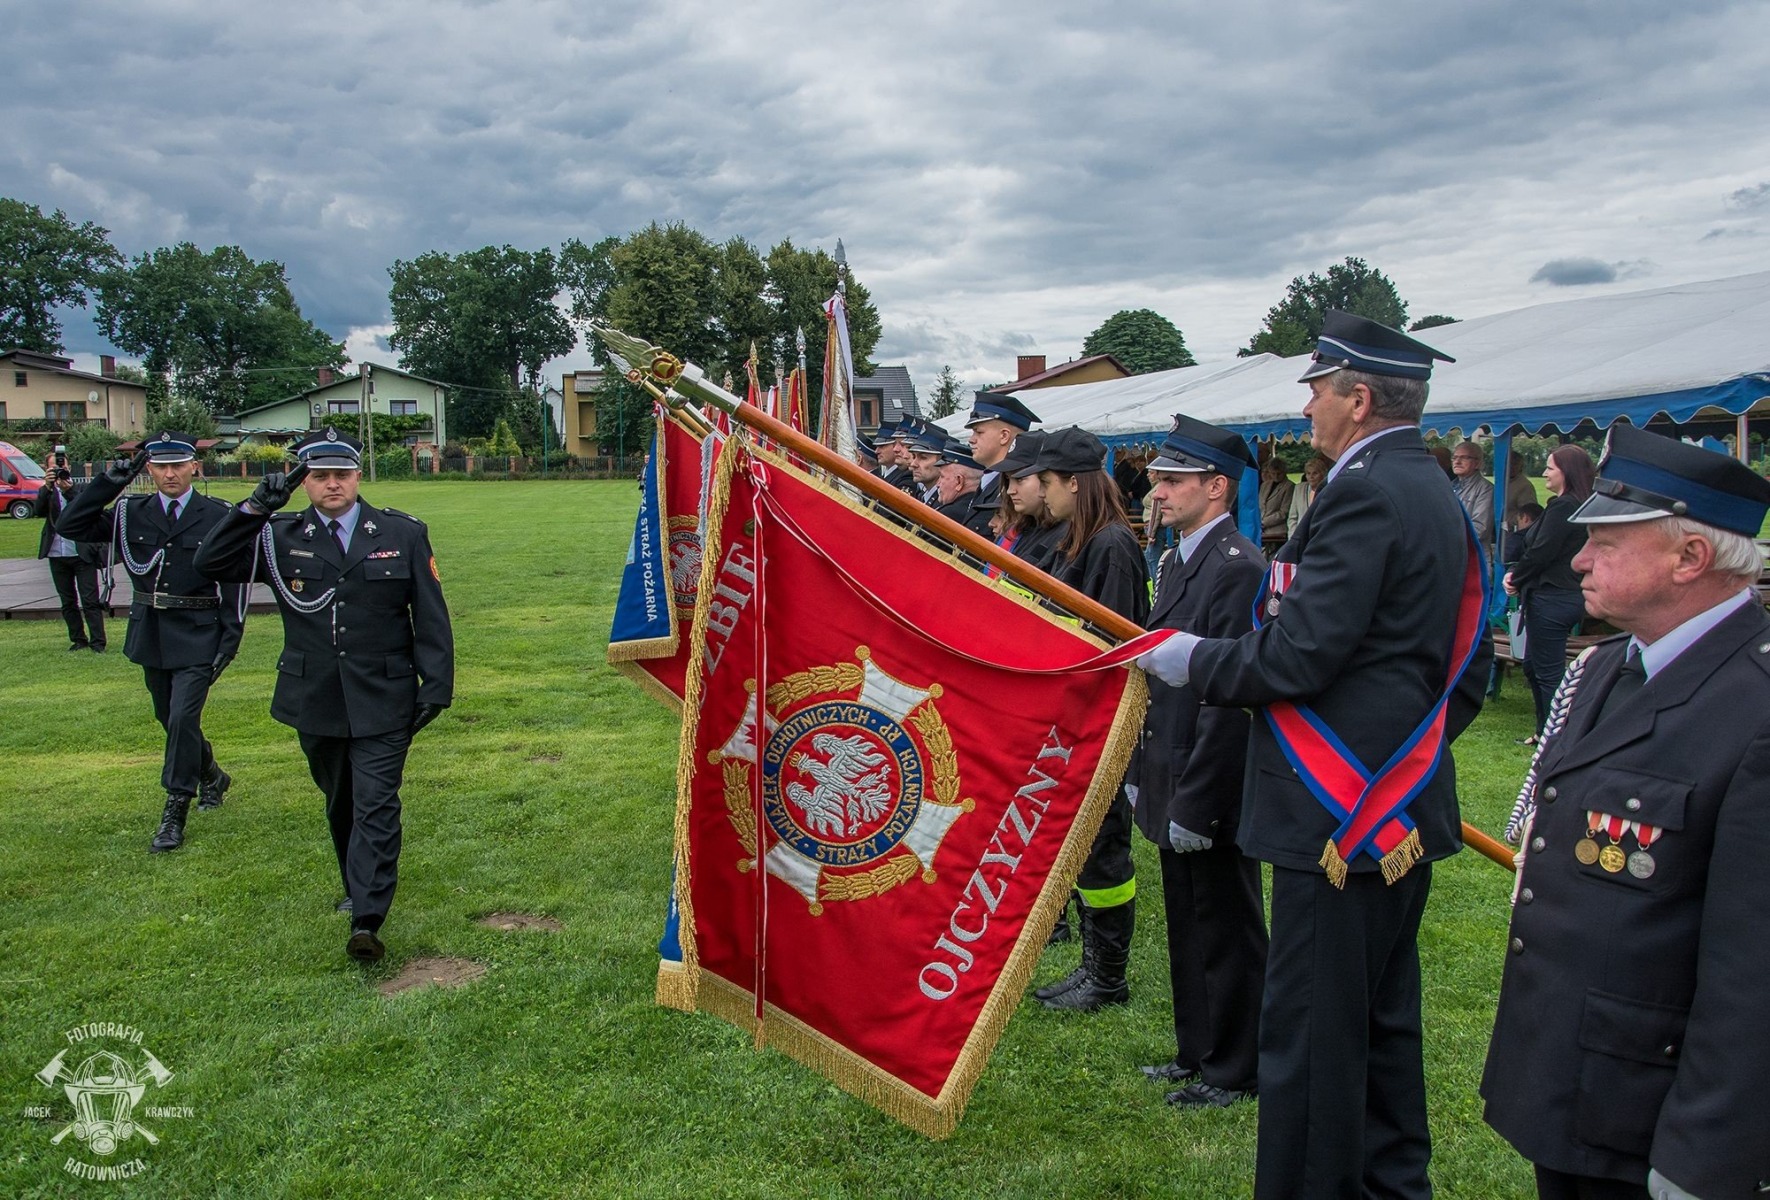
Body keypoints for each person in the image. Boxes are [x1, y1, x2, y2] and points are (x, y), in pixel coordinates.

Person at [1137, 312, 1489, 1199]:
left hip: (1337, 820)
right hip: (1391, 807)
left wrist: (1195, 659)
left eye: (1316, 386)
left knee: (1312, 1040)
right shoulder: (1428, 486)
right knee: (1380, 1029)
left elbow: (1300, 653)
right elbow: (1469, 662)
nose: (1305, 404)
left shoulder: (1366, 490)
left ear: (1358, 398)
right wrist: (1406, 755)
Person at [1482, 423, 1770, 1200]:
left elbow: (1754, 973)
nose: (1578, 558)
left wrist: (1705, 1152)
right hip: (1574, 1081)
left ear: (1690, 558)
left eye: (1607, 541)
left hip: (1659, 1112)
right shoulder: (1606, 666)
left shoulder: (1756, 708)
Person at [193, 428, 454, 964]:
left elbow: (429, 612)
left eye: (341, 475)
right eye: (319, 476)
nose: (332, 485)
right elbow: (210, 564)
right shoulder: (278, 535)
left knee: (377, 802)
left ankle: (367, 917)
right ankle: (355, 882)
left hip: (385, 693)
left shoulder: (401, 533)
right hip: (315, 695)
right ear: (304, 482)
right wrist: (255, 507)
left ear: (358, 477)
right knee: (341, 801)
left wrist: (438, 685)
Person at [1130, 414, 1268, 1109]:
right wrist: (1139, 770)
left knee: (1226, 924)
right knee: (1188, 920)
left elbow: (1231, 693)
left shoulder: (1238, 567)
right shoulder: (1180, 557)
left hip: (1209, 772)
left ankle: (1237, 1064)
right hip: (1170, 760)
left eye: (1173, 480)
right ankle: (1199, 1050)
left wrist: (1200, 797)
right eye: (1158, 478)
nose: (1157, 491)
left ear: (1216, 487)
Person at [57, 433, 244, 853]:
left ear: (195, 466)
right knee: (169, 717)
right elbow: (69, 525)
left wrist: (231, 637)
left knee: (181, 717)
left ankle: (176, 805)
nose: (170, 473)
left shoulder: (217, 513)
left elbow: (234, 579)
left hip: (199, 630)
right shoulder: (130, 511)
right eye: (160, 466)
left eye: (178, 464)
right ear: (149, 469)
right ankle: (212, 774)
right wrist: (107, 484)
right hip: (152, 630)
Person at [1021, 426, 1150, 1012]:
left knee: (1104, 849)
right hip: (1071, 718)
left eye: (1047, 482)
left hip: (1098, 722)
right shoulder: (1082, 540)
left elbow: (1111, 643)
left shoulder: (1112, 546)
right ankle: (1094, 965)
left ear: (1075, 483)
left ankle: (1108, 974)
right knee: (1083, 844)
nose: (1041, 494)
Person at [1505, 445, 1596, 740]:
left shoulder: (1564, 507)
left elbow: (1542, 551)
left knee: (1547, 673)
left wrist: (1516, 578)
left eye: (1550, 467)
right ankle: (1543, 732)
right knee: (1533, 667)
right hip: (1555, 596)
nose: (1544, 472)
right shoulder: (1571, 504)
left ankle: (1554, 738)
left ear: (1566, 473)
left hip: (1553, 596)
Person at [34, 460, 108, 652]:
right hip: (57, 553)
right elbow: (38, 511)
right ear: (47, 469)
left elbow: (88, 510)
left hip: (81, 552)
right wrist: (47, 488)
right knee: (67, 600)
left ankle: (98, 642)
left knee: (90, 599)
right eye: (55, 467)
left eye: (63, 466)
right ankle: (78, 639)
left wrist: (69, 490)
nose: (61, 471)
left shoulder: (81, 488)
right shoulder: (48, 491)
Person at [1451, 440, 1497, 547]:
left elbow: (1480, 529)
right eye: (1455, 457)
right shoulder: (1449, 486)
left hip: (1474, 556)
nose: (1457, 461)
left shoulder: (1486, 489)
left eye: (1464, 457)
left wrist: (1446, 534)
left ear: (1478, 463)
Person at [1257, 458, 1294, 556]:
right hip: (1261, 529)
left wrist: (1265, 522)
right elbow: (1259, 505)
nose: (1276, 476)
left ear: (1285, 472)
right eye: (1273, 474)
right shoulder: (1265, 485)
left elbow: (1284, 512)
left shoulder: (1289, 486)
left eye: (1279, 473)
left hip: (1278, 530)